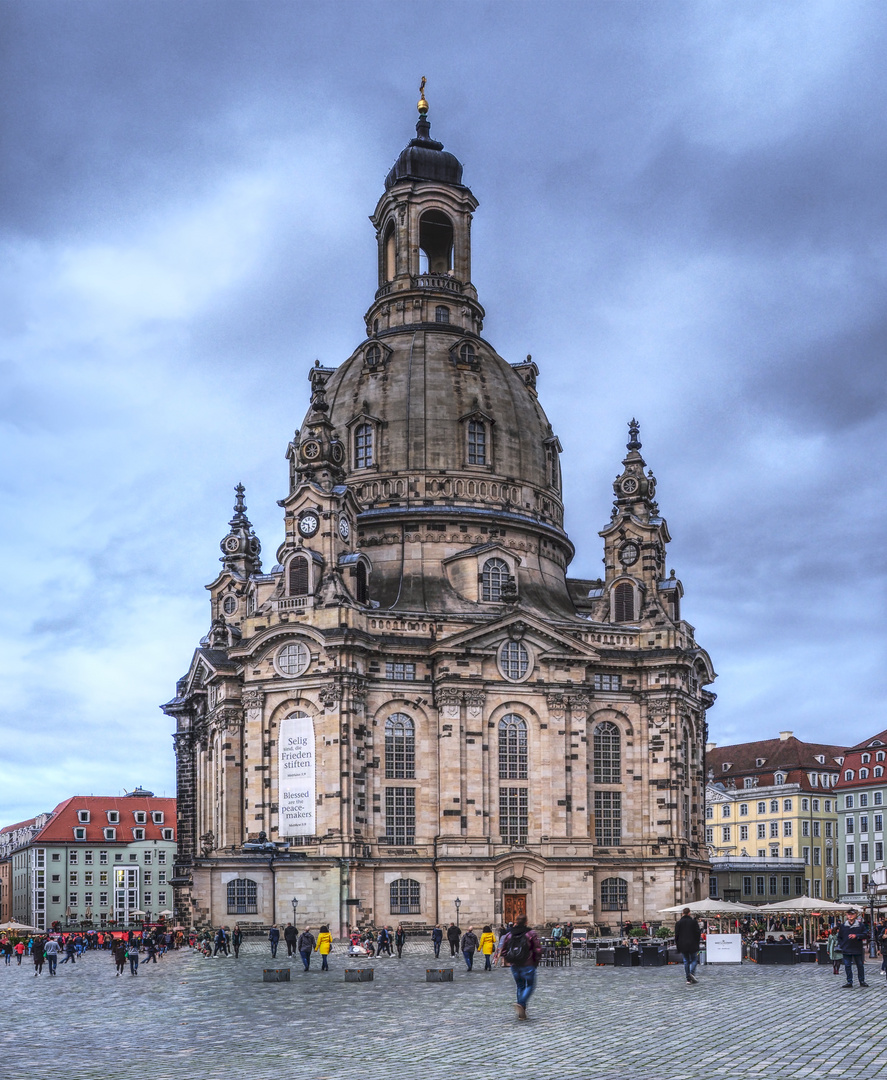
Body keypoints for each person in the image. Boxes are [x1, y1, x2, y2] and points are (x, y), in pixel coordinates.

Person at [498, 915, 541, 1020]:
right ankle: (521, 1004)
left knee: (520, 986)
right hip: (528, 964)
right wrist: (535, 961)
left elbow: (503, 950)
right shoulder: (531, 934)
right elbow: (538, 949)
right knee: (530, 985)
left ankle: (521, 1012)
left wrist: (510, 959)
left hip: (515, 965)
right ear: (526, 922)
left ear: (515, 922)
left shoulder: (509, 935)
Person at [837, 909, 869, 988]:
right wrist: (842, 945)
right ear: (846, 915)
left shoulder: (860, 925)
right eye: (848, 914)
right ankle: (849, 981)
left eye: (852, 914)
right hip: (846, 948)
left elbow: (865, 935)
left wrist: (857, 936)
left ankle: (861, 981)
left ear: (855, 915)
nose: (850, 916)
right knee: (847, 966)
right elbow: (839, 937)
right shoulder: (843, 926)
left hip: (857, 948)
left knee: (860, 965)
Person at [674, 908, 702, 985]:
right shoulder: (693, 922)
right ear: (689, 913)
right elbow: (698, 933)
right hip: (692, 944)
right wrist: (697, 942)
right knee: (694, 960)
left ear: (683, 913)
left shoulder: (678, 923)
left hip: (683, 945)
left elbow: (676, 935)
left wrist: (677, 945)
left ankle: (688, 979)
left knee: (686, 961)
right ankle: (691, 974)